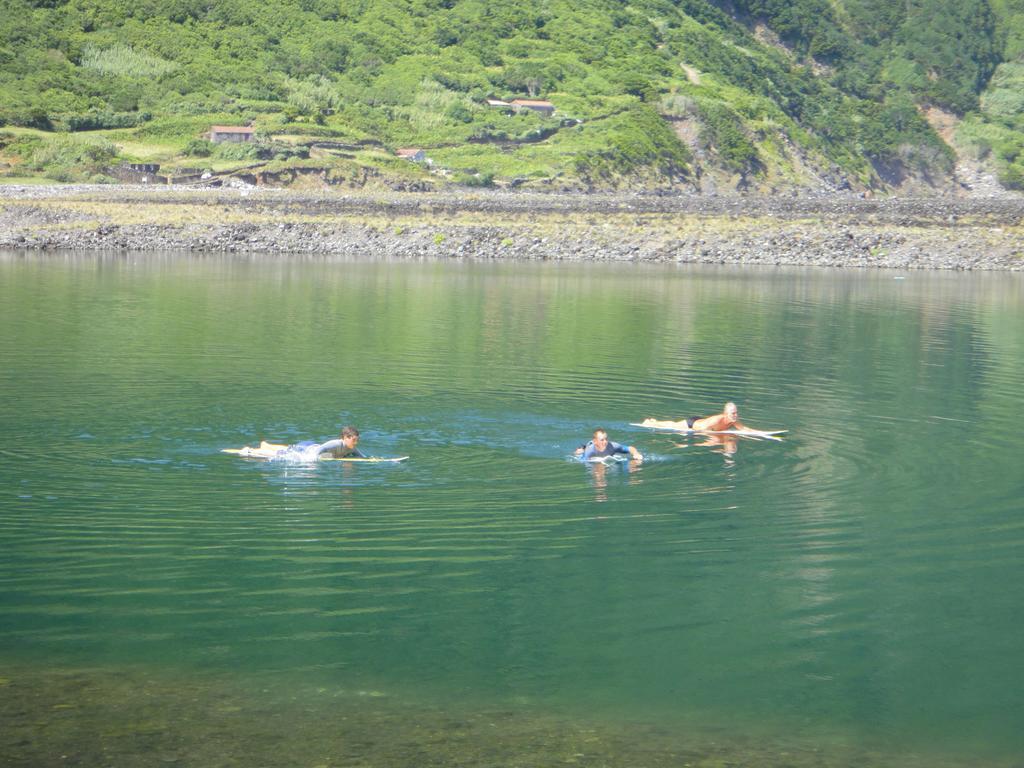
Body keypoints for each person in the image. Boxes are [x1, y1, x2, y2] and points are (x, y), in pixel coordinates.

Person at [641, 402, 751, 433]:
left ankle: (655, 421)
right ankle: (651, 423)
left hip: (700, 421)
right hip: (693, 424)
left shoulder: (733, 421)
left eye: (736, 413)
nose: (735, 415)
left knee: (673, 424)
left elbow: (744, 429)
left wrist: (763, 432)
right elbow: (702, 429)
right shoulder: (717, 419)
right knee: (672, 426)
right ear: (726, 413)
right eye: (733, 413)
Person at [574, 428, 642, 462]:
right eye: (602, 440)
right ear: (595, 441)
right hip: (589, 447)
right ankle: (582, 448)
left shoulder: (613, 446)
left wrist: (636, 453)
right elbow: (582, 461)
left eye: (606, 439)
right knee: (577, 452)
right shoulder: (590, 451)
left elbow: (630, 448)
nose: (605, 442)